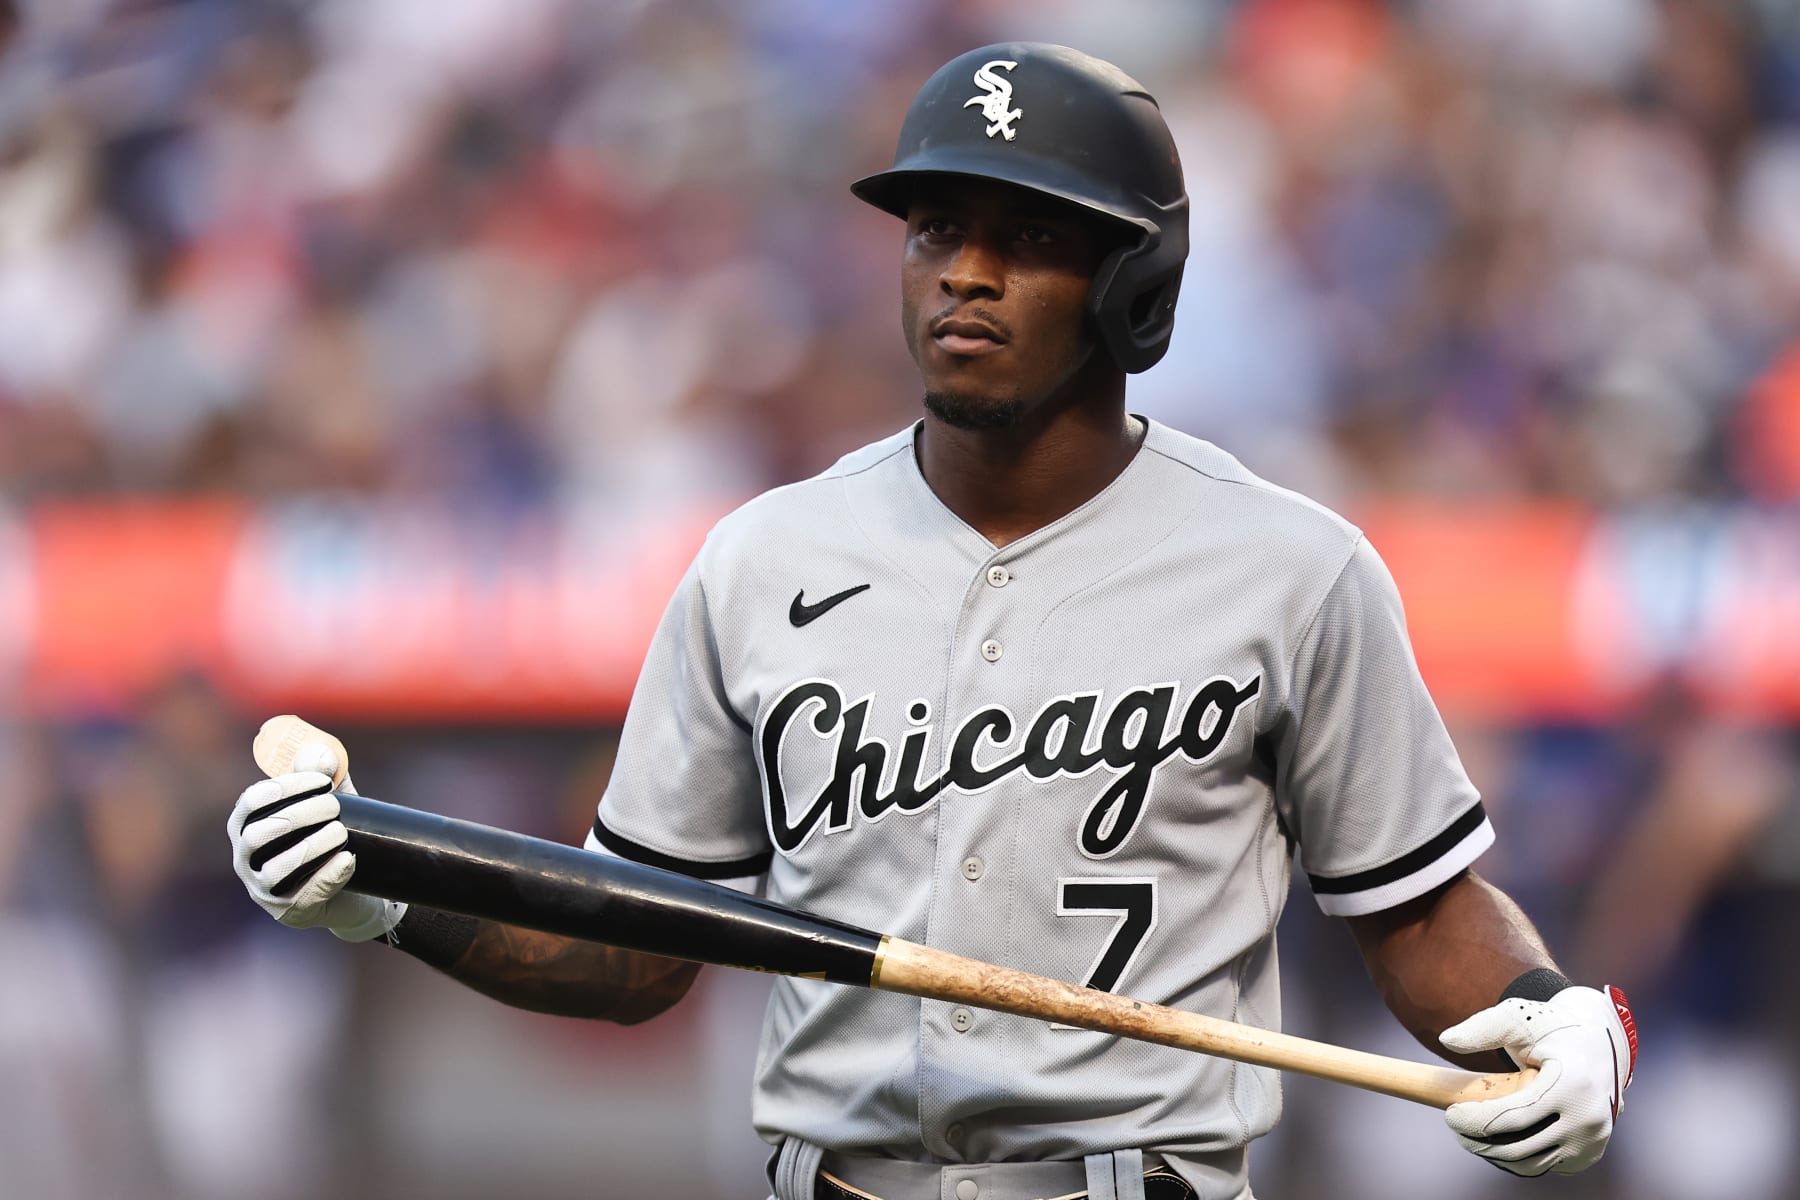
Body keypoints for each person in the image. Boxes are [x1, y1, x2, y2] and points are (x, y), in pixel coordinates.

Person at [227, 43, 1637, 1200]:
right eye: (936, 230)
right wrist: (385, 891)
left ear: (1134, 283)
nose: (966, 269)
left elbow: (1417, 909)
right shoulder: (760, 561)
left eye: (1027, 238)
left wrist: (1557, 1011)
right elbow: (634, 944)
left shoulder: (1293, 568)